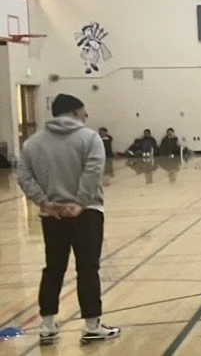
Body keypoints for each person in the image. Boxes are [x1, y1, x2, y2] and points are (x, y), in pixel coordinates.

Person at [16, 94, 121, 344]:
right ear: (75, 112)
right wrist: (80, 203)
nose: (86, 116)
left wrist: (44, 201)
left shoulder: (32, 143)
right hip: (88, 213)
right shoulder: (90, 138)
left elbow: (23, 175)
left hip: (52, 214)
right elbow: (93, 171)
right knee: (88, 268)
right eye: (84, 112)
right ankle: (92, 325)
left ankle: (47, 324)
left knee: (53, 267)